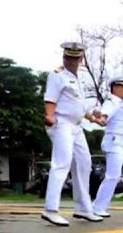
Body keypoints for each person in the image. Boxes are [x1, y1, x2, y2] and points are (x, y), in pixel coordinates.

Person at [41, 42, 103, 226]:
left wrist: (94, 119)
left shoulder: (78, 79)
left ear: (81, 59)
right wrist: (49, 116)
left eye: (75, 58)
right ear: (64, 57)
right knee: (62, 163)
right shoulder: (57, 75)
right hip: (61, 124)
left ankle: (83, 208)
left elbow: (78, 107)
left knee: (85, 164)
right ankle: (51, 209)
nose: (72, 61)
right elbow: (50, 99)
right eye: (69, 57)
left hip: (76, 127)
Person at [92, 76, 123, 218]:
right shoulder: (112, 101)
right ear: (115, 88)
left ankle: (99, 207)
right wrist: (102, 119)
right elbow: (105, 114)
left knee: (114, 176)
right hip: (114, 140)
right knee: (113, 176)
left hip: (118, 140)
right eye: (121, 87)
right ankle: (97, 207)